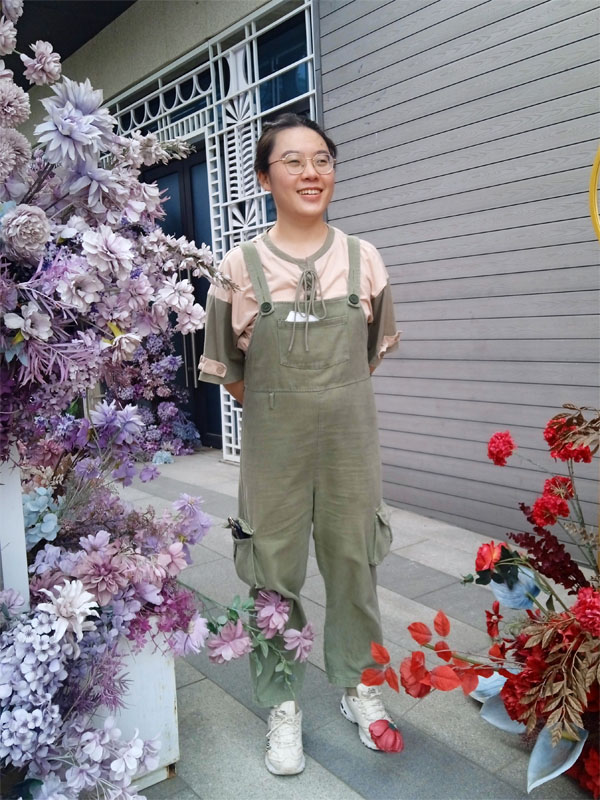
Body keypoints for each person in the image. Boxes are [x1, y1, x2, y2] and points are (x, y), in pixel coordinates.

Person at [199, 112, 400, 775]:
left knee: (355, 565)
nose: (312, 173)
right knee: (272, 577)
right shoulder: (238, 267)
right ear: (264, 178)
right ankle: (283, 705)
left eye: (322, 160)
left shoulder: (365, 259)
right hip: (273, 449)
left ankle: (360, 686)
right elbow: (231, 371)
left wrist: (326, 395)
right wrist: (283, 405)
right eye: (293, 161)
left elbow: (368, 355)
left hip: (350, 445)